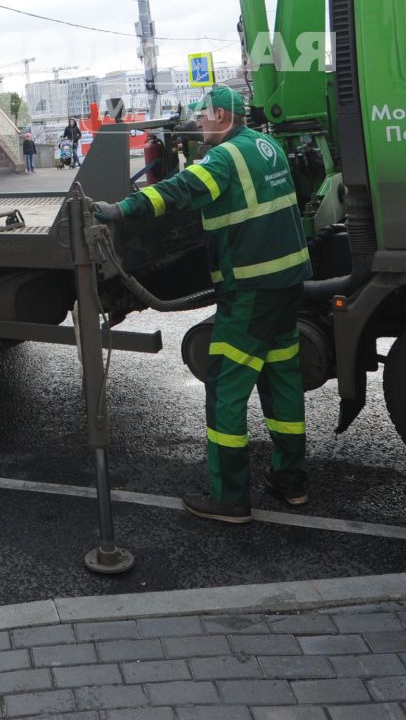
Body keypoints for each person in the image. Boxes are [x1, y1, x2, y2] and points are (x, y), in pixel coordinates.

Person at [91, 86, 313, 522]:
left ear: (224, 118)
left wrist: (120, 210)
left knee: (226, 388)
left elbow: (176, 190)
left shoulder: (224, 159)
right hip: (289, 283)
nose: (199, 123)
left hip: (251, 289)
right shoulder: (267, 145)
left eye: (205, 115)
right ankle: (292, 482)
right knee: (281, 377)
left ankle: (230, 497)